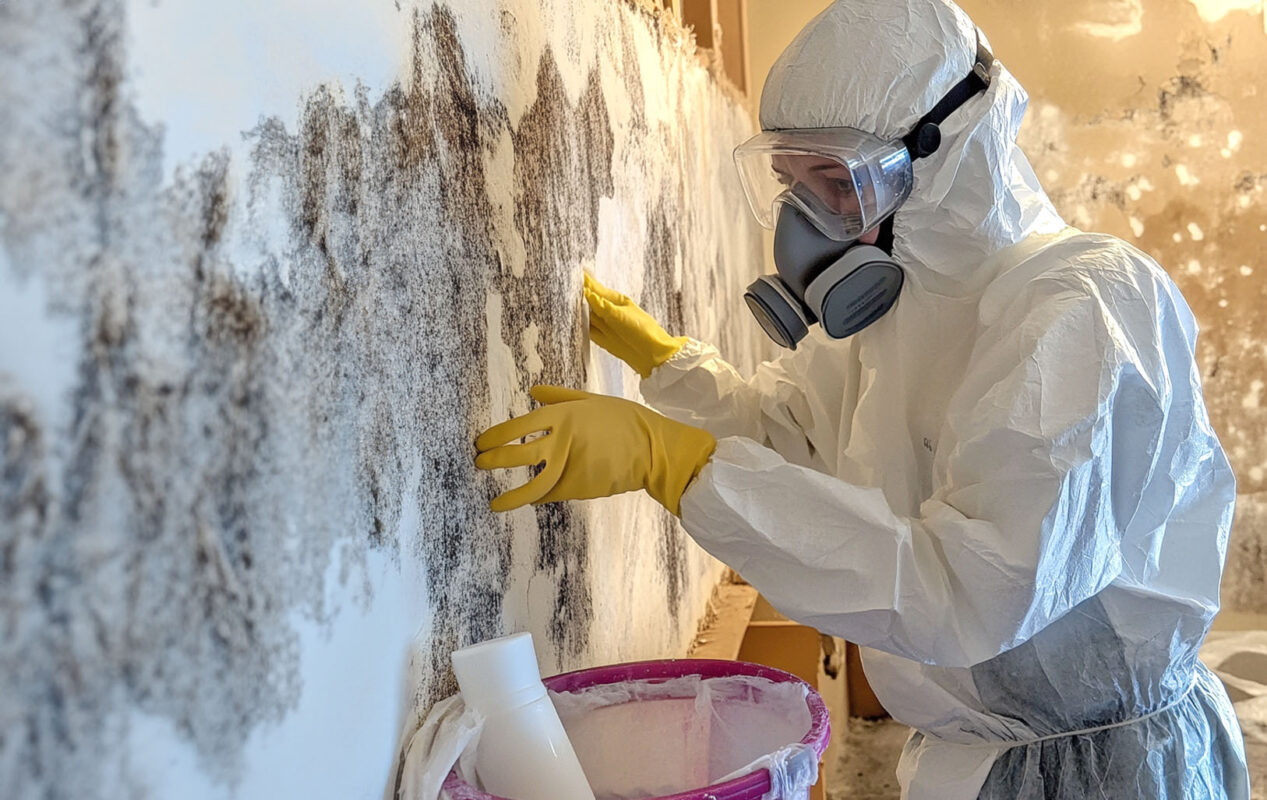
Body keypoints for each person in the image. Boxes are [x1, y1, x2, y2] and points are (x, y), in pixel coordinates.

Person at [474, 0, 1250, 796]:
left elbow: (966, 593)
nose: (810, 222)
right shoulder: (906, 306)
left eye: (835, 182)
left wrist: (678, 466)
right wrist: (668, 367)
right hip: (969, 754)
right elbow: (799, 437)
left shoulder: (1084, 310)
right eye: (789, 182)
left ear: (944, 149)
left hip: (1099, 770)